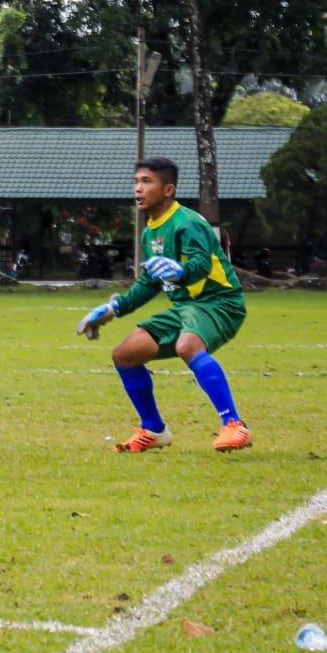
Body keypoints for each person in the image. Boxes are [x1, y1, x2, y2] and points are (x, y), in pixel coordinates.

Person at [76, 156, 252, 453]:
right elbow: (149, 282)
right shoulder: (150, 231)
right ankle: (154, 430)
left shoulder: (188, 222)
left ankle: (234, 425)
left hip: (218, 303)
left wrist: (181, 271)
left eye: (146, 182)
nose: (138, 189)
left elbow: (199, 264)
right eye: (136, 182)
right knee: (125, 354)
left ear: (168, 189)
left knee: (188, 346)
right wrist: (112, 309)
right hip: (185, 307)